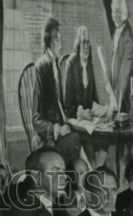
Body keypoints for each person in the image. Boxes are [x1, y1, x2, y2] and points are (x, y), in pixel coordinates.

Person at [32, 18, 81, 162]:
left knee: (81, 136)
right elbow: (36, 119)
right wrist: (57, 130)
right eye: (56, 39)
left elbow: (58, 104)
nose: (59, 43)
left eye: (60, 39)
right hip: (46, 139)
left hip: (59, 129)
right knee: (76, 140)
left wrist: (71, 117)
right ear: (48, 40)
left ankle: (81, 175)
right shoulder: (42, 65)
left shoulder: (56, 64)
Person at [63, 25, 99, 119]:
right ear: (78, 44)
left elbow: (95, 99)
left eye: (88, 42)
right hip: (75, 119)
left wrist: (103, 110)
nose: (86, 46)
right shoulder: (71, 63)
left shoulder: (89, 64)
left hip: (89, 120)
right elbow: (67, 106)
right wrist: (81, 113)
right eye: (83, 42)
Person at [109, 0, 133, 114]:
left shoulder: (127, 34)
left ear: (124, 13)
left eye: (117, 12)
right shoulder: (116, 30)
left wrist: (118, 98)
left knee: (123, 119)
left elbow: (125, 70)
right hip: (115, 88)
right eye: (113, 12)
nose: (114, 16)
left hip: (122, 93)